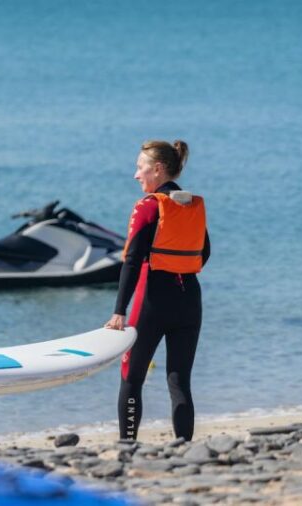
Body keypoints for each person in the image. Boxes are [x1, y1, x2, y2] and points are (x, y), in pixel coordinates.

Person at [104, 140, 210, 442]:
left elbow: (132, 260)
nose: (137, 175)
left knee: (132, 377)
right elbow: (205, 252)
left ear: (158, 169)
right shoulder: (191, 204)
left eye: (140, 167)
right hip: (189, 298)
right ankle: (186, 447)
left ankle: (127, 445)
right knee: (179, 381)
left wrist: (119, 311)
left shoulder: (148, 207)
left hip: (152, 298)